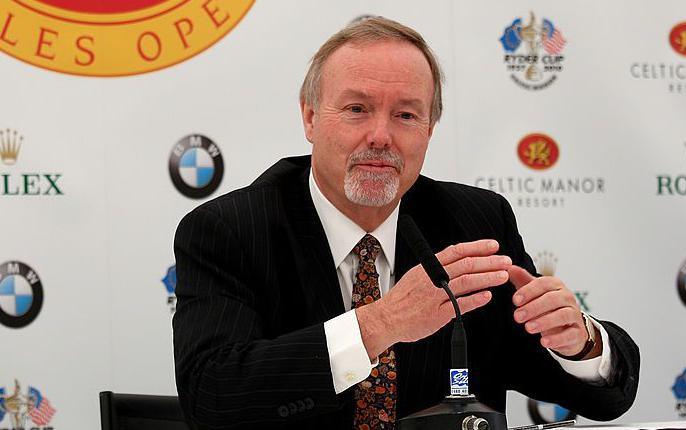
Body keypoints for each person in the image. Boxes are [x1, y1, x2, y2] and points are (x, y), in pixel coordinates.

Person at [173, 17, 639, 430]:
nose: (380, 136)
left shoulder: (474, 222)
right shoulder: (230, 230)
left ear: (429, 130)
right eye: (357, 109)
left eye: (406, 115)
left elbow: (599, 397)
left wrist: (580, 345)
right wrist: (380, 323)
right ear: (311, 117)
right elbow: (211, 395)